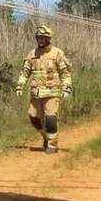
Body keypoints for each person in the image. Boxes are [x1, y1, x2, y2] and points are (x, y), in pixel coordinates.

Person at [15, 25, 72, 154]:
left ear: (48, 39)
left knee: (50, 118)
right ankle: (46, 137)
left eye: (43, 38)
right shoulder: (32, 54)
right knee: (33, 117)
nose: (40, 40)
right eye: (38, 37)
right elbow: (25, 72)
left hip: (52, 92)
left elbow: (65, 73)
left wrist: (66, 87)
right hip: (36, 94)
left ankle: (52, 145)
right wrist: (20, 85)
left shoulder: (57, 53)